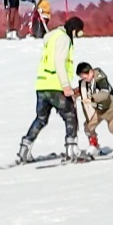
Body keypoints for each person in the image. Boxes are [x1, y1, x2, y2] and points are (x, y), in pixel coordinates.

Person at [16, 16, 85, 163]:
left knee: (41, 119)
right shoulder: (64, 39)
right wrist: (66, 86)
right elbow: (59, 62)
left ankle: (25, 148)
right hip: (55, 85)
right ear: (73, 30)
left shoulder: (52, 36)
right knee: (70, 114)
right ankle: (71, 149)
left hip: (41, 85)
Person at [76, 62, 113, 158]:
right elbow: (81, 91)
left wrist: (92, 99)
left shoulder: (100, 79)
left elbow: (104, 93)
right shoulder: (85, 83)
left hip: (112, 107)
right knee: (88, 126)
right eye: (83, 78)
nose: (85, 79)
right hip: (99, 109)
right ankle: (94, 144)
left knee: (112, 126)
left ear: (91, 72)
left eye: (86, 77)